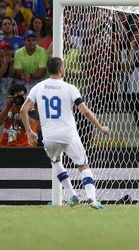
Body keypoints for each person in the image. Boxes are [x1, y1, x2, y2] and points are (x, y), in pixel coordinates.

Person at [20, 57, 110, 209]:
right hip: (69, 135)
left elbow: (23, 110)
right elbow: (85, 112)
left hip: (49, 137)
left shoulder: (38, 87)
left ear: (49, 70)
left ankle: (72, 194)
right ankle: (91, 199)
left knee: (55, 162)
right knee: (83, 166)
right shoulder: (70, 88)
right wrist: (100, 127)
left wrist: (29, 132)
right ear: (61, 69)